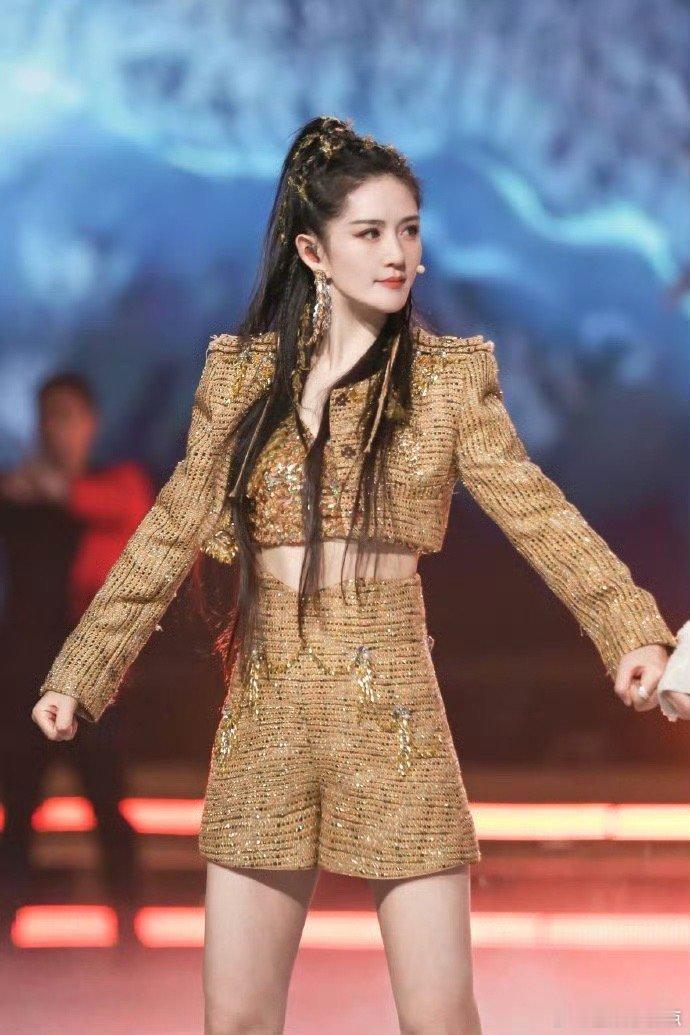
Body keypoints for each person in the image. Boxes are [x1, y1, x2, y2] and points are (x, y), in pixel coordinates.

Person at [31, 116, 684, 1034]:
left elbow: (538, 512)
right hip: (267, 710)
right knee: (238, 1021)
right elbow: (170, 529)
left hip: (395, 709)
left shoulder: (446, 380)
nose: (396, 253)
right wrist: (81, 671)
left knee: (440, 1018)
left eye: (409, 230)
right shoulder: (242, 379)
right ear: (313, 251)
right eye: (370, 232)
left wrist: (630, 630)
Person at [1, 372, 152, 937]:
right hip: (26, 675)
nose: (55, 429)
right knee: (18, 810)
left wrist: (51, 488)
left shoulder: (114, 485)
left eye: (67, 416)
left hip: (91, 681)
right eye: (48, 417)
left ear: (91, 423)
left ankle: (129, 933)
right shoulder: (21, 498)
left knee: (108, 805)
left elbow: (124, 507)